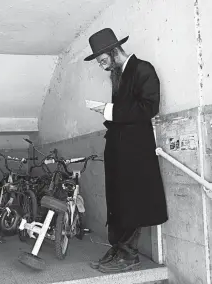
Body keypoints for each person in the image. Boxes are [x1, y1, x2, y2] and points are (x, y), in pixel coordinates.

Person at [84, 28, 168, 273]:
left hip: (135, 151)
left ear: (113, 51)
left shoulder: (143, 69)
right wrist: (108, 113)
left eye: (102, 61)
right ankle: (120, 248)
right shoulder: (119, 75)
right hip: (121, 150)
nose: (101, 66)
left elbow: (148, 107)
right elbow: (125, 113)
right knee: (120, 201)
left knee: (132, 201)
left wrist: (108, 111)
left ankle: (129, 255)